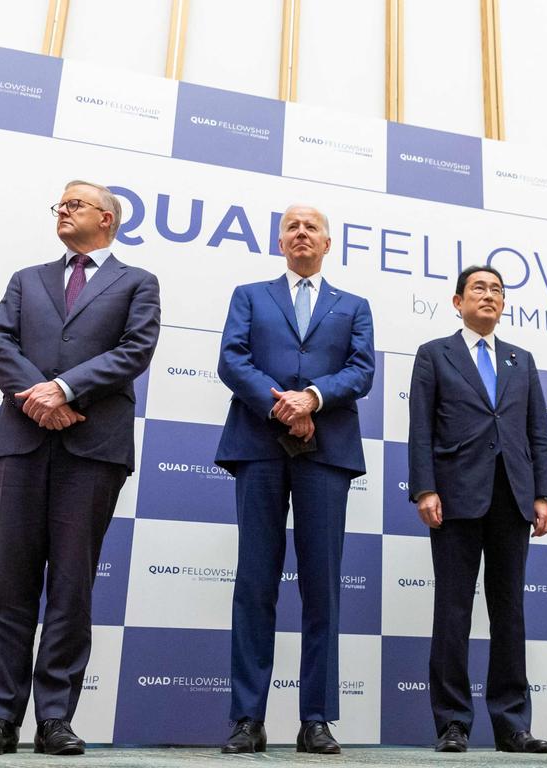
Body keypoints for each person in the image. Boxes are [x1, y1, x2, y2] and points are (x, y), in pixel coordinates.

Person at [0, 181, 160, 757]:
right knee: (10, 585)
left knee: (72, 586)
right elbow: (1, 343)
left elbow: (134, 350)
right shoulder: (27, 278)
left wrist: (66, 388)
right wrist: (38, 397)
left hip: (93, 447)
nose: (63, 211)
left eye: (74, 204)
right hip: (23, 440)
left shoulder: (138, 282)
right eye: (60, 204)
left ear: (106, 217)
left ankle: (55, 719)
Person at [215, 204, 375, 754]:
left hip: (326, 450)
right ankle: (246, 719)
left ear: (328, 244)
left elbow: (362, 369)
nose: (301, 233)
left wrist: (313, 397)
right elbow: (232, 360)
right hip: (258, 445)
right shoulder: (250, 295)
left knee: (322, 587)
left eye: (312, 227)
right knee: (254, 582)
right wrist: (281, 403)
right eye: (291, 227)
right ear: (280, 241)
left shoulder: (353, 305)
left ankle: (316, 719)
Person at [407, 265, 547, 754]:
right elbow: (420, 429)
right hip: (454, 497)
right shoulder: (434, 354)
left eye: (497, 290)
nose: (489, 296)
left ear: (504, 303)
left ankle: (512, 724)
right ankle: (453, 722)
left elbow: (538, 433)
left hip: (513, 498)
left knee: (509, 612)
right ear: (457, 302)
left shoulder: (522, 360)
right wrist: (424, 489)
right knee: (453, 611)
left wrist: (543, 495)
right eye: (479, 289)